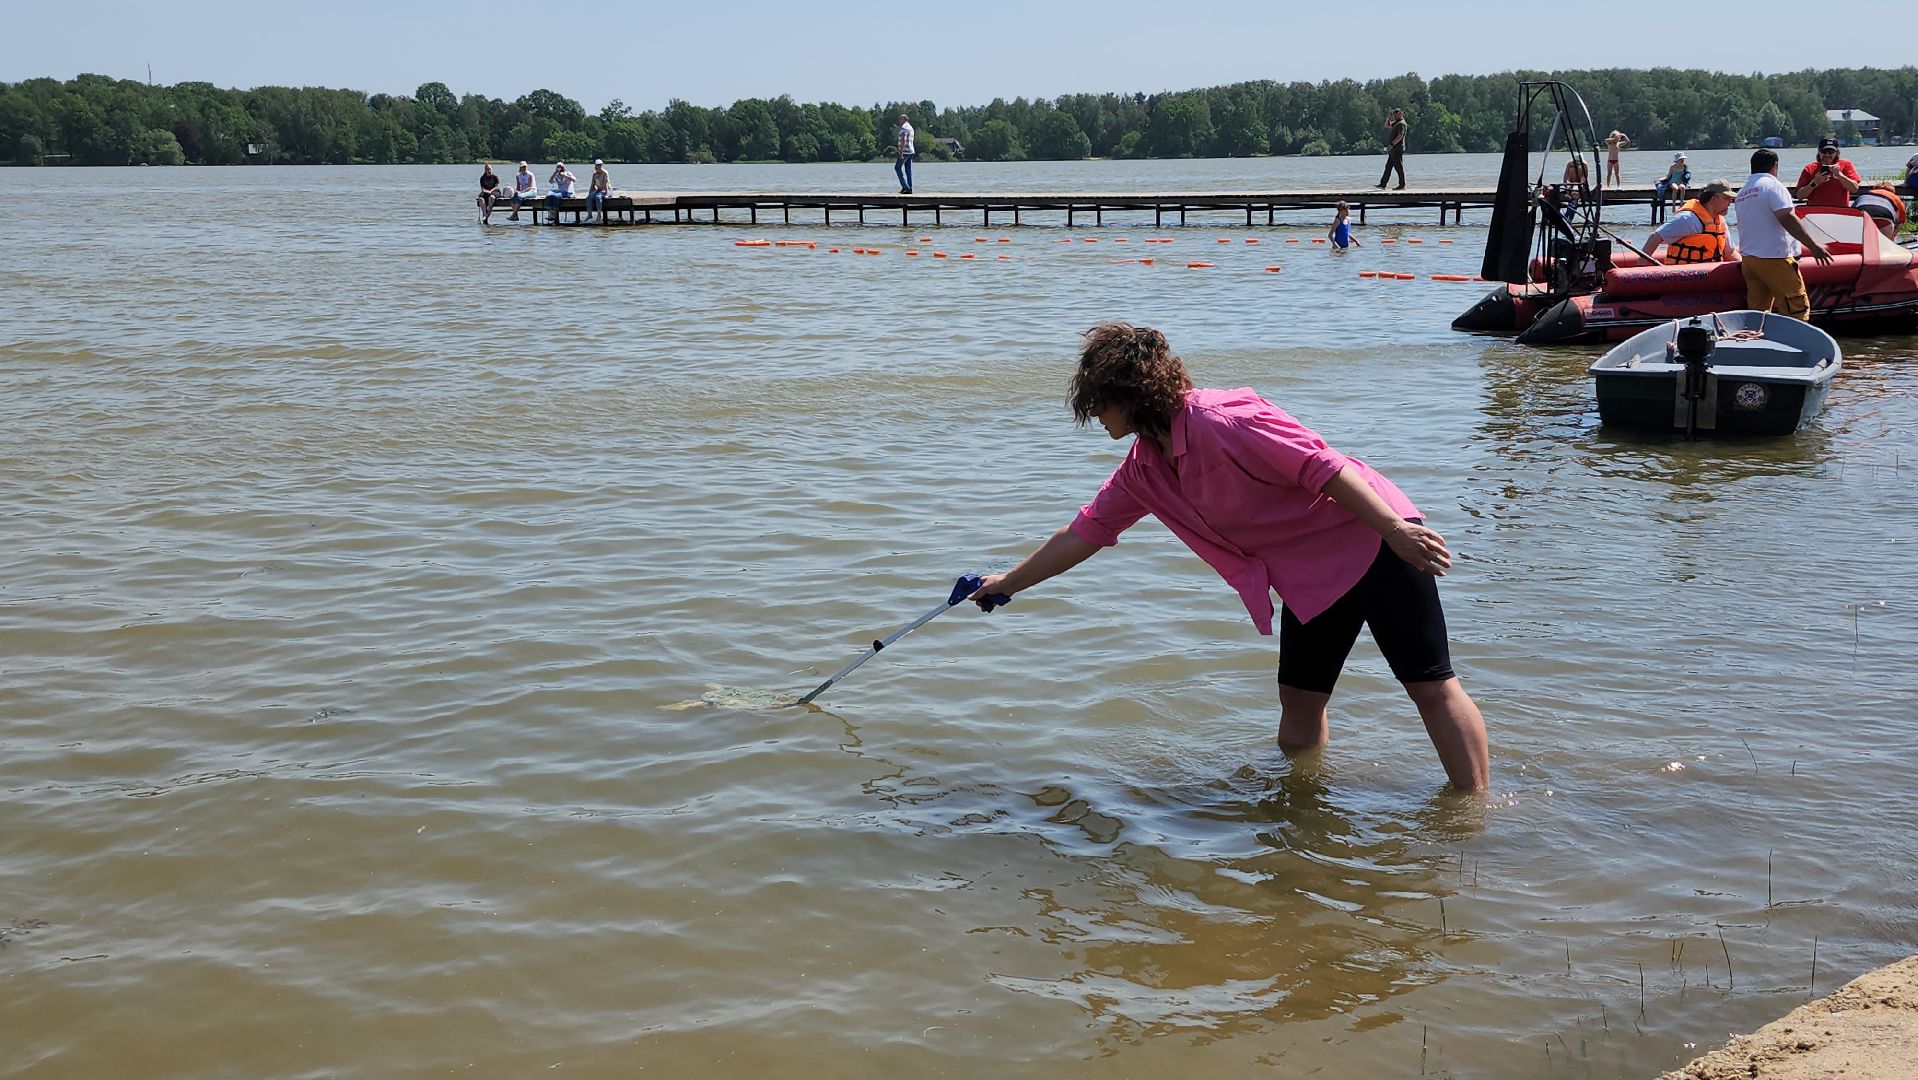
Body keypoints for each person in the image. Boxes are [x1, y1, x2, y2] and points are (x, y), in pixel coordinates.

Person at [968, 322, 1491, 791]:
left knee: (1429, 683)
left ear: (1128, 394)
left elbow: (1322, 466)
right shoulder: (1145, 467)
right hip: (1312, 575)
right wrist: (1008, 582)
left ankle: (1474, 818)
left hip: (1376, 541)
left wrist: (1395, 528)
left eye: (1098, 403)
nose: (1093, 416)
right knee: (1300, 702)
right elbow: (1086, 531)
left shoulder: (1224, 419)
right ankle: (1303, 801)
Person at [1733, 148, 1834, 321]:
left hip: (1750, 261)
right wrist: (1813, 246)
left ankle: (1758, 345)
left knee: (1758, 315)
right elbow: (1787, 217)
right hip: (1774, 259)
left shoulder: (1743, 192)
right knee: (1796, 310)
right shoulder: (1772, 185)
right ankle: (1799, 346)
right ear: (1775, 166)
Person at [1642, 178, 1736, 264]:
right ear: (1714, 198)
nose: (1730, 202)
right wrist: (1642, 266)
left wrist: (1744, 267)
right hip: (1683, 276)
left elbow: (1729, 252)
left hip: (1709, 276)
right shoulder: (1689, 219)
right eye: (1726, 198)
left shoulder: (1720, 222)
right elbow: (1655, 237)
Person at [1793, 138, 1860, 208]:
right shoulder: (1809, 168)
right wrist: (1814, 183)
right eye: (1824, 152)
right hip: (1815, 212)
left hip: (1840, 212)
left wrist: (1840, 175)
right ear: (1819, 151)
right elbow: (1800, 196)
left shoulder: (1846, 165)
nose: (1827, 155)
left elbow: (1854, 189)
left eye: (1831, 152)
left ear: (1837, 152)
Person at [1376, 108, 1407, 190]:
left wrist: (1392, 144)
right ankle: (1383, 184)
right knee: (1388, 166)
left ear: (1401, 113)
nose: (1395, 114)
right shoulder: (1396, 123)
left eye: (1397, 112)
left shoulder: (1401, 124)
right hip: (1393, 149)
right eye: (1394, 113)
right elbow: (1387, 125)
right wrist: (1389, 117)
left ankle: (1402, 185)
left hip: (1397, 148)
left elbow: (1400, 136)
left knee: (1398, 167)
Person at [586, 159, 612, 224]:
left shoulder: (605, 173)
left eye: (600, 165)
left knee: (598, 197)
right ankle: (589, 214)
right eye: (597, 165)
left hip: (606, 189)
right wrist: (590, 193)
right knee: (589, 198)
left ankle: (599, 215)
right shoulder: (594, 174)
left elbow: (605, 184)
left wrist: (606, 194)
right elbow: (592, 184)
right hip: (599, 189)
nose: (599, 166)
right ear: (595, 166)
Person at [894, 114, 915, 194]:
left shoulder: (904, 127)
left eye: (900, 119)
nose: (899, 121)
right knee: (908, 171)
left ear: (904, 119)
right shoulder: (911, 128)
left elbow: (904, 138)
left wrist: (901, 151)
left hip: (905, 151)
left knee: (897, 167)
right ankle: (909, 188)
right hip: (910, 151)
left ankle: (905, 186)